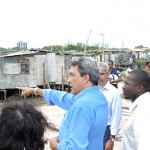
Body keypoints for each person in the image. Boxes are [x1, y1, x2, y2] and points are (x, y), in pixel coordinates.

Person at [17, 57, 108, 150]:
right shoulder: (99, 98)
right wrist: (35, 90)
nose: (68, 80)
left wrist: (55, 145)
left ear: (85, 78)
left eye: (72, 75)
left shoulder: (81, 107)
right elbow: (63, 98)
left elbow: (75, 148)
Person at [121, 70, 150, 150]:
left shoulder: (143, 111)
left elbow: (145, 146)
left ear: (139, 88)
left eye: (126, 84)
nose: (123, 87)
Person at [98, 62, 122, 150]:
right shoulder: (91, 90)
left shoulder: (113, 92)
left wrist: (111, 139)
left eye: (102, 73)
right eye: (97, 73)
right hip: (90, 129)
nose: (99, 76)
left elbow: (116, 116)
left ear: (107, 74)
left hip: (105, 131)